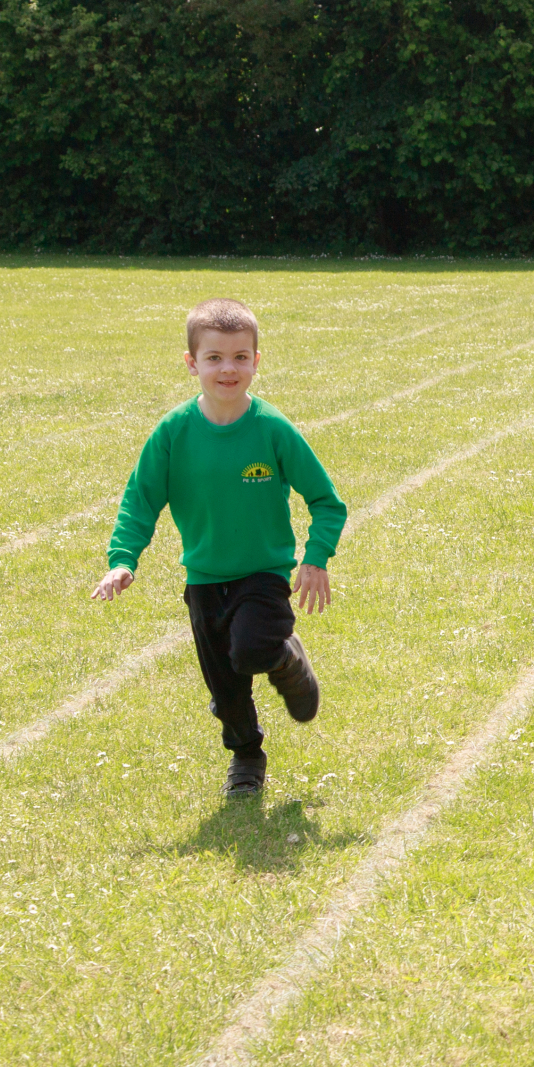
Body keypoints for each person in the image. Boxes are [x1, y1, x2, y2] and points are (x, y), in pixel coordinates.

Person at [92, 298, 347, 798]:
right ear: (191, 364)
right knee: (225, 687)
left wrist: (315, 557)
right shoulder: (172, 433)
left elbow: (326, 501)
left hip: (263, 574)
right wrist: (122, 560)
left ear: (256, 360)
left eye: (239, 357)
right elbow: (140, 501)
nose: (227, 369)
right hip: (205, 578)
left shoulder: (273, 429)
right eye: (214, 358)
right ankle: (247, 757)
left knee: (252, 646)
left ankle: (284, 660)